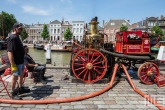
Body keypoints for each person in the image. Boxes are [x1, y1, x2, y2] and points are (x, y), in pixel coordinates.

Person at [7, 23, 30, 100]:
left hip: (20, 61)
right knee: (15, 77)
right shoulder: (12, 38)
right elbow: (10, 52)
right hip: (16, 62)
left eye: (22, 28)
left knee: (21, 75)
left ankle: (20, 88)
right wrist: (12, 64)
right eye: (20, 28)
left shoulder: (17, 37)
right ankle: (13, 93)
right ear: (15, 29)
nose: (21, 30)